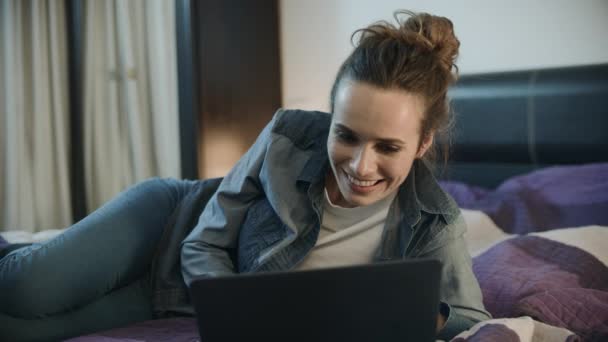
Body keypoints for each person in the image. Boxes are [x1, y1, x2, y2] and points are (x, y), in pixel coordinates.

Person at [0, 10, 490, 342]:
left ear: (423, 144)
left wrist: (427, 317)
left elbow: (473, 318)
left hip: (176, 299)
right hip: (165, 224)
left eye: (388, 147)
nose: (360, 166)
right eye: (346, 135)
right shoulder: (286, 136)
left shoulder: (436, 223)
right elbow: (202, 242)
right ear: (330, 116)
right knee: (24, 290)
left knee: (18, 329)